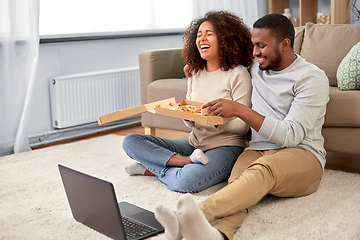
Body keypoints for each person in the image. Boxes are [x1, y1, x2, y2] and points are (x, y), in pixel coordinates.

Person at [154, 13, 329, 240]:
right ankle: (216, 235)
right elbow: (223, 62)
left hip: (303, 154)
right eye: (253, 46)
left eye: (261, 46)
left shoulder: (311, 78)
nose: (255, 53)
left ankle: (188, 218)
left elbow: (291, 136)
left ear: (285, 44)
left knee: (262, 170)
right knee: (237, 187)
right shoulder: (257, 68)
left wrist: (239, 110)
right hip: (257, 148)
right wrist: (194, 67)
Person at [122, 11, 254, 193]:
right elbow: (190, 122)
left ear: (225, 39)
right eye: (199, 35)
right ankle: (183, 161)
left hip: (227, 147)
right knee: (130, 141)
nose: (202, 39)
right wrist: (185, 113)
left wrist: (216, 121)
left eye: (209, 34)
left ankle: (149, 169)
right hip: (194, 146)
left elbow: (243, 127)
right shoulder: (195, 73)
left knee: (185, 182)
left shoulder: (238, 74)